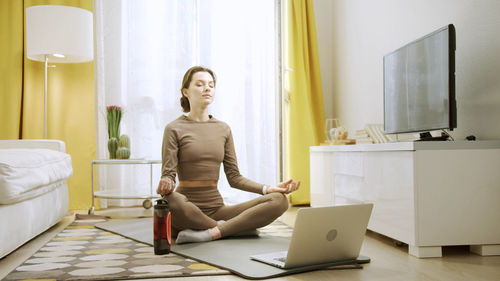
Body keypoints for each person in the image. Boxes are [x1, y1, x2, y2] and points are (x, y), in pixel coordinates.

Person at [156, 66, 301, 244]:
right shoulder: (174, 128)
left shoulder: (223, 128)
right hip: (187, 208)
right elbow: (168, 174)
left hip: (218, 210)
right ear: (186, 91)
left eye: (211, 84)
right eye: (200, 84)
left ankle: (213, 232)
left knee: (279, 201)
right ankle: (234, 228)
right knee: (169, 201)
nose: (207, 88)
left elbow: (234, 177)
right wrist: (166, 182)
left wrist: (268, 189)